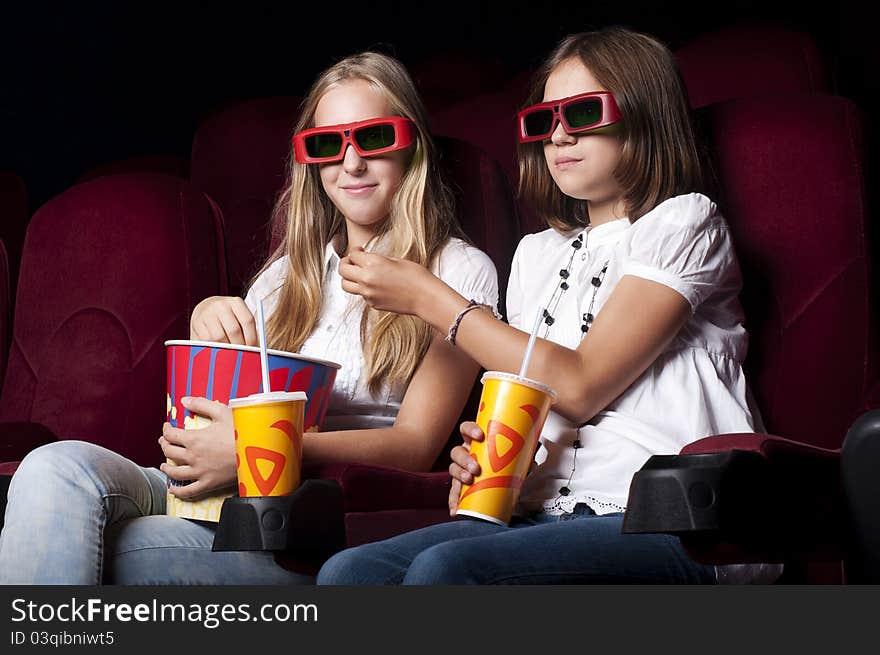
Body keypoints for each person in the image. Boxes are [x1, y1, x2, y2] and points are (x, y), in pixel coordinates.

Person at [0, 52, 498, 585]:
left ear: (412, 145)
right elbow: (221, 402)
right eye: (327, 144)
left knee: (121, 550)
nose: (351, 164)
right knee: (53, 469)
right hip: (224, 490)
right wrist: (207, 323)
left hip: (319, 519)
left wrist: (250, 448)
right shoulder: (286, 277)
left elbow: (415, 445)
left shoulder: (459, 271)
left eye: (374, 138)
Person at [319, 27, 782, 584]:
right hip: (542, 515)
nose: (558, 135)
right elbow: (525, 407)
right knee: (350, 574)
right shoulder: (536, 255)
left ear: (644, 116)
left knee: (447, 570)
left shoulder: (683, 223)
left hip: (674, 515)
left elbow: (582, 385)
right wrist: (480, 468)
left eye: (582, 113)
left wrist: (433, 300)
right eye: (543, 120)